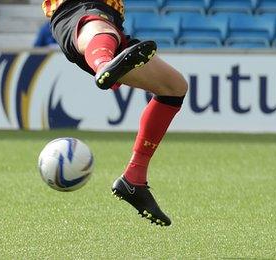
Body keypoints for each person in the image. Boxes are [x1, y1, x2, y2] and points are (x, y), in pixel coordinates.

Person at [42, 0, 188, 226]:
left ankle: (134, 179)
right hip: (75, 8)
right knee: (99, 27)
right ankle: (103, 66)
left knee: (174, 87)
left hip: (111, 26)